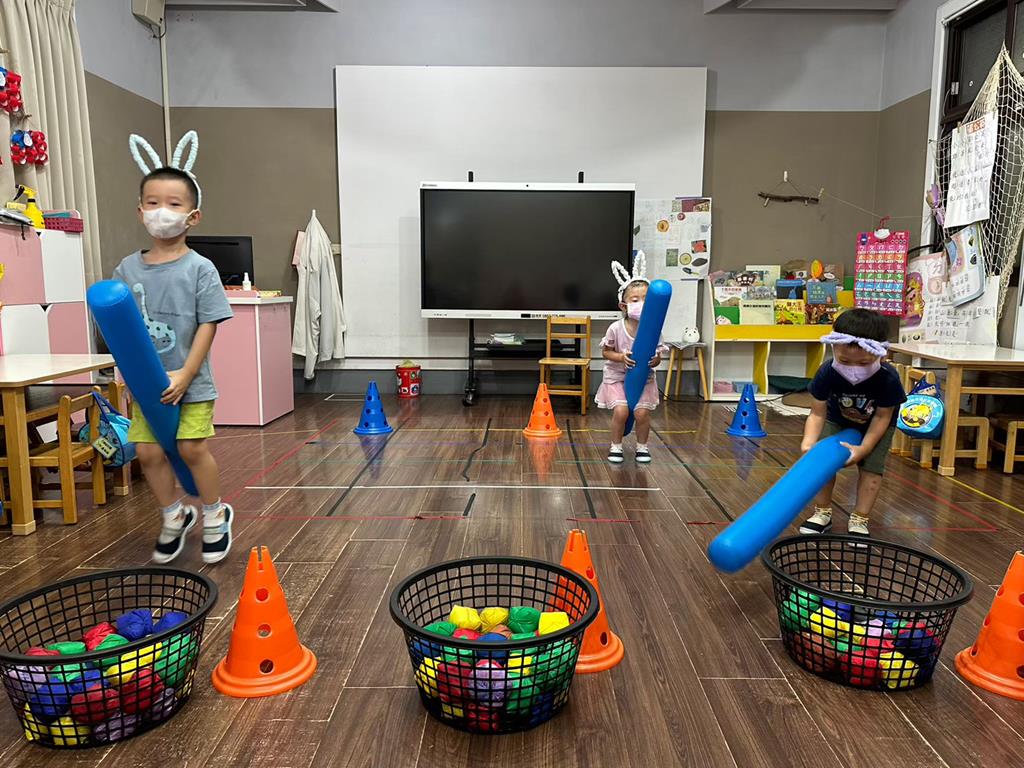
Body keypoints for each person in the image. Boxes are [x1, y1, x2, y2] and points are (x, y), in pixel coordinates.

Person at [116, 131, 234, 564]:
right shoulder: (127, 269)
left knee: (190, 449)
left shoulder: (200, 268)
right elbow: (122, 329)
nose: (161, 212)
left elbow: (208, 324)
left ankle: (215, 513)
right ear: (140, 210)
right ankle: (174, 515)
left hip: (191, 382)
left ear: (193, 216)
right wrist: (127, 373)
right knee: (147, 452)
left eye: (173, 204)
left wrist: (186, 373)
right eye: (152, 202)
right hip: (147, 386)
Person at [799, 308, 907, 538]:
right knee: (823, 464)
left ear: (881, 354)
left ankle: (860, 518)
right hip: (836, 419)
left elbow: (882, 416)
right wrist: (808, 443)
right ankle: (822, 512)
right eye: (845, 361)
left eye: (864, 363)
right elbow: (817, 413)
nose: (853, 369)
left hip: (876, 425)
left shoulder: (887, 378)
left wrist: (864, 449)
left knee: (871, 471)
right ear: (834, 349)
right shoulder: (828, 372)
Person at [595, 253, 667, 464]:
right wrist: (621, 356)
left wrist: (655, 361)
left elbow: (658, 356)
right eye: (635, 300)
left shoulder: (654, 330)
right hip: (617, 377)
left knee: (642, 413)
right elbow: (606, 352)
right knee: (621, 411)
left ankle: (642, 447)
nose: (641, 304)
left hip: (643, 379)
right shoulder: (615, 328)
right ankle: (616, 445)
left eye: (646, 300)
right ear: (623, 306)